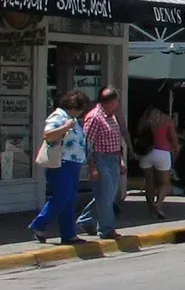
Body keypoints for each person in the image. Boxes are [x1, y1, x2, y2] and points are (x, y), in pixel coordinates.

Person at [30, 90, 90, 244]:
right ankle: (39, 224)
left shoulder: (73, 119)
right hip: (61, 163)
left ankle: (69, 234)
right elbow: (48, 135)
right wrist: (66, 127)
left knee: (69, 200)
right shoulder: (59, 116)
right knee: (61, 196)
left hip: (73, 163)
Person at [77, 87, 130, 240]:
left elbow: (116, 140)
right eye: (116, 102)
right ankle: (106, 229)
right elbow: (87, 144)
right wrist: (92, 166)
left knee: (106, 195)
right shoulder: (94, 117)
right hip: (101, 159)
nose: (117, 105)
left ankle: (86, 220)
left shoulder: (111, 117)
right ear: (109, 102)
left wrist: (120, 160)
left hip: (113, 158)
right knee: (105, 196)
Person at [138, 105, 179, 219]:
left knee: (149, 182)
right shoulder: (166, 119)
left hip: (146, 153)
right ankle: (158, 205)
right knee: (165, 183)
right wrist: (175, 148)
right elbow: (173, 136)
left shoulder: (144, 119)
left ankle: (151, 208)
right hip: (162, 152)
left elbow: (139, 133)